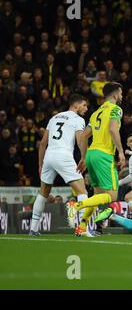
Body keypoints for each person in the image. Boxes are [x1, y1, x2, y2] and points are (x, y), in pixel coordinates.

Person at [29, 94, 89, 236]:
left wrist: (40, 164)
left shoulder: (54, 117)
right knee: (82, 192)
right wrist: (83, 157)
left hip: (49, 156)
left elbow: (43, 143)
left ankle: (33, 229)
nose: (86, 108)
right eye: (84, 105)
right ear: (76, 105)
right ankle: (82, 228)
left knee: (43, 193)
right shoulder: (78, 119)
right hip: (64, 156)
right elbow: (81, 141)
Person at [72, 82, 126, 236]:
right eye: (120, 93)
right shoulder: (116, 109)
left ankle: (82, 226)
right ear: (115, 95)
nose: (121, 96)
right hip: (104, 155)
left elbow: (83, 136)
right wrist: (121, 152)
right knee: (112, 196)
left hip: (91, 154)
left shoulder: (96, 113)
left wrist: (83, 156)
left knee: (97, 197)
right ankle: (78, 205)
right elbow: (112, 129)